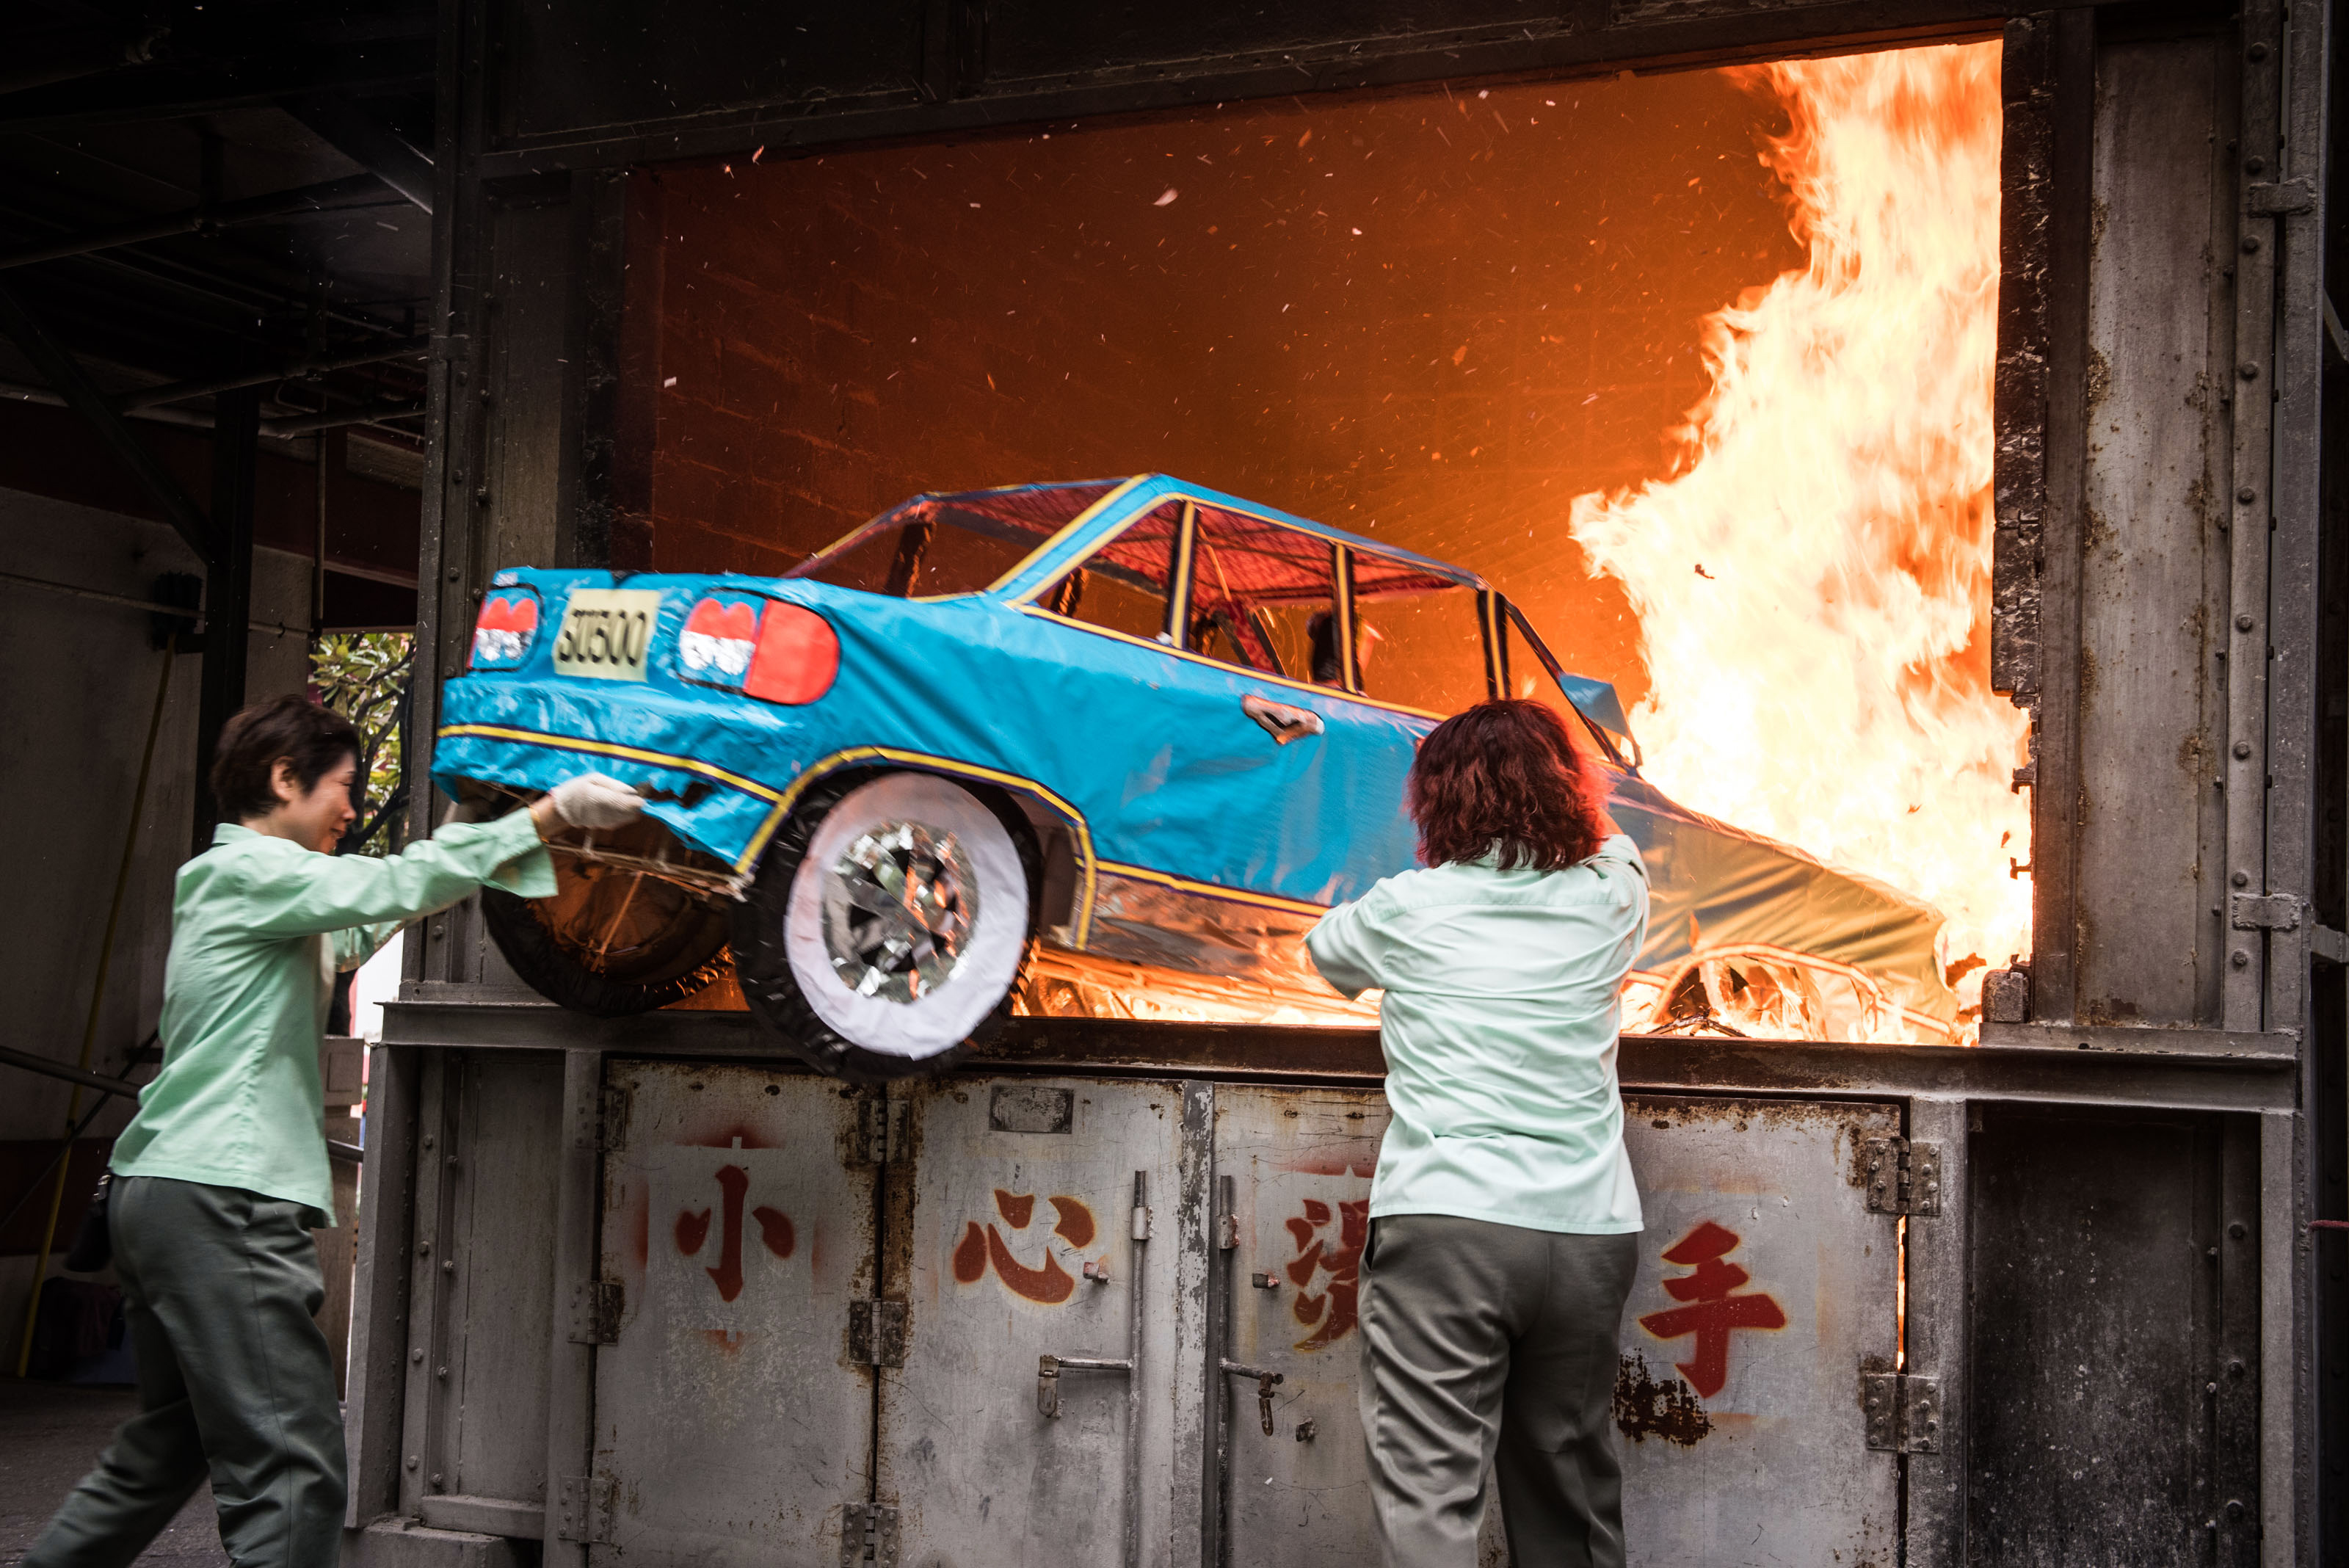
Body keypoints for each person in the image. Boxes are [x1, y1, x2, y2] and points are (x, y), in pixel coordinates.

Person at [26, 693, 645, 1568]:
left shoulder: (256, 889)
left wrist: (479, 816)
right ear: (284, 779)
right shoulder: (243, 874)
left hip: (166, 1195)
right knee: (291, 1470)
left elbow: (359, 920)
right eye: (345, 788)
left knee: (162, 1453)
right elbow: (386, 884)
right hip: (219, 1200)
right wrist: (549, 815)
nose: (354, 809)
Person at [1305, 698, 1649, 1568]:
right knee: (1567, 1486)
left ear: (1434, 804)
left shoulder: (1405, 909)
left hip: (1446, 1225)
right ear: (1567, 789)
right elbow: (1606, 838)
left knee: (1429, 1492)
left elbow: (1322, 954)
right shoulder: (1611, 893)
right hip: (1586, 1232)